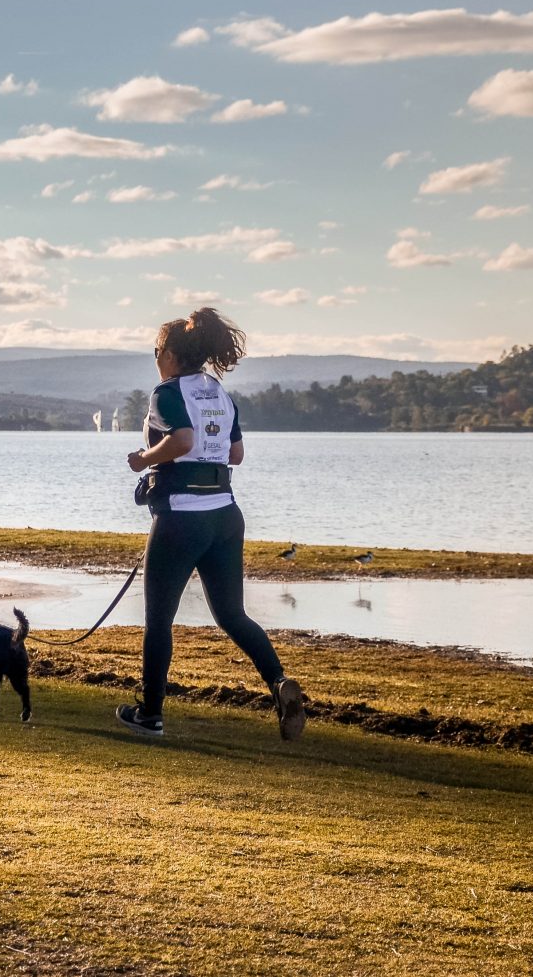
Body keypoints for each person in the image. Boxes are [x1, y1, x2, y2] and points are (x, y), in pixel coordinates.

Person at [116, 307, 306, 741]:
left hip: (182, 517)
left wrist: (142, 461)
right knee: (232, 614)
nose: (155, 357)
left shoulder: (166, 393)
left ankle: (151, 714)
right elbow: (234, 454)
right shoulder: (218, 393)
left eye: (156, 350)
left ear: (170, 353)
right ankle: (278, 683)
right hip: (225, 516)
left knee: (159, 620)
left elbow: (182, 440)